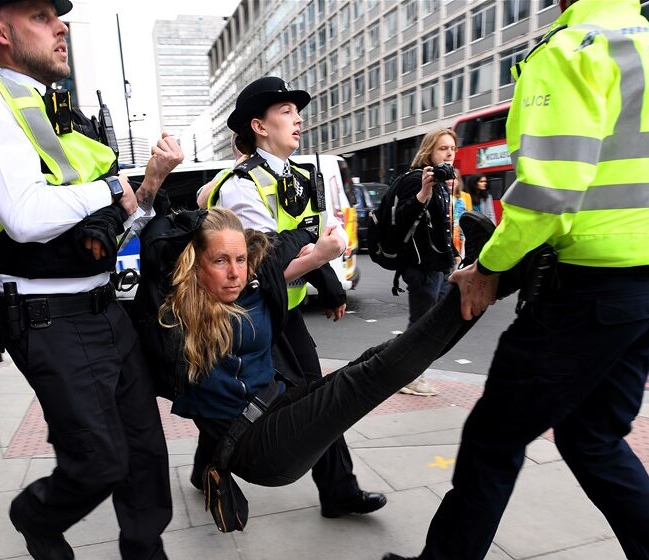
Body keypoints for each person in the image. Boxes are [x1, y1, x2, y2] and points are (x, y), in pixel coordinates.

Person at [385, 0, 649, 558]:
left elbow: (547, 194)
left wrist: (488, 268)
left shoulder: (573, 51)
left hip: (584, 295)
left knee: (493, 441)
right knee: (594, 439)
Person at [0, 0, 183, 558]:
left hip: (106, 309)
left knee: (145, 453)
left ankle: (145, 550)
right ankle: (34, 516)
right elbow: (27, 218)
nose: (61, 26)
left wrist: (147, 185)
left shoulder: (56, 113)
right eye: (40, 16)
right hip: (50, 320)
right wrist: (111, 190)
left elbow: (113, 221)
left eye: (58, 15)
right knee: (97, 462)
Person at [139, 207, 480, 523]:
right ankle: (484, 280)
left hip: (279, 407)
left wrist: (313, 243)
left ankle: (478, 289)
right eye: (220, 261)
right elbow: (157, 254)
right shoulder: (178, 319)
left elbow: (283, 244)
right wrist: (155, 186)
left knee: (373, 359)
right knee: (368, 378)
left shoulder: (255, 288)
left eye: (241, 259)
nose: (234, 273)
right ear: (195, 265)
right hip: (258, 450)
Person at [203, 76, 386, 518]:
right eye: (285, 111)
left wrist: (330, 283)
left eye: (296, 111)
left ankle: (208, 468)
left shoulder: (299, 175)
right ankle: (337, 489)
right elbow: (264, 270)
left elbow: (307, 237)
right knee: (311, 398)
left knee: (282, 396)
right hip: (253, 312)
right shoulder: (240, 185)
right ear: (259, 126)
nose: (298, 118)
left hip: (283, 310)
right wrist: (321, 253)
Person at [393, 128, 461, 397]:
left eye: (452, 149)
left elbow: (441, 226)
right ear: (429, 151)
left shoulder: (445, 183)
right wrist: (423, 192)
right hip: (422, 267)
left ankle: (404, 368)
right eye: (443, 148)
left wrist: (453, 252)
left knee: (433, 323)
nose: (449, 154)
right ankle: (407, 375)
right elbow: (403, 218)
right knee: (421, 324)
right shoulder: (416, 180)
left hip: (439, 265)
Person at [450, 170, 471, 256]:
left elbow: (469, 217)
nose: (451, 181)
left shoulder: (466, 196)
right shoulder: (442, 196)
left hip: (461, 238)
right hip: (448, 239)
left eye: (454, 178)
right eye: (448, 178)